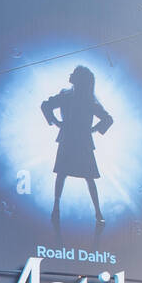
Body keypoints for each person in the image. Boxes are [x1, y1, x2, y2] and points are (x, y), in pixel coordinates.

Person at [40, 65, 113, 231]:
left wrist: (92, 130)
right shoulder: (67, 96)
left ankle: (97, 212)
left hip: (79, 141)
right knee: (64, 174)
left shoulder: (87, 100)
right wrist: (56, 122)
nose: (70, 75)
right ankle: (57, 208)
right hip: (72, 140)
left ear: (79, 79)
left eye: (74, 74)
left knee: (85, 177)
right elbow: (46, 105)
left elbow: (108, 119)